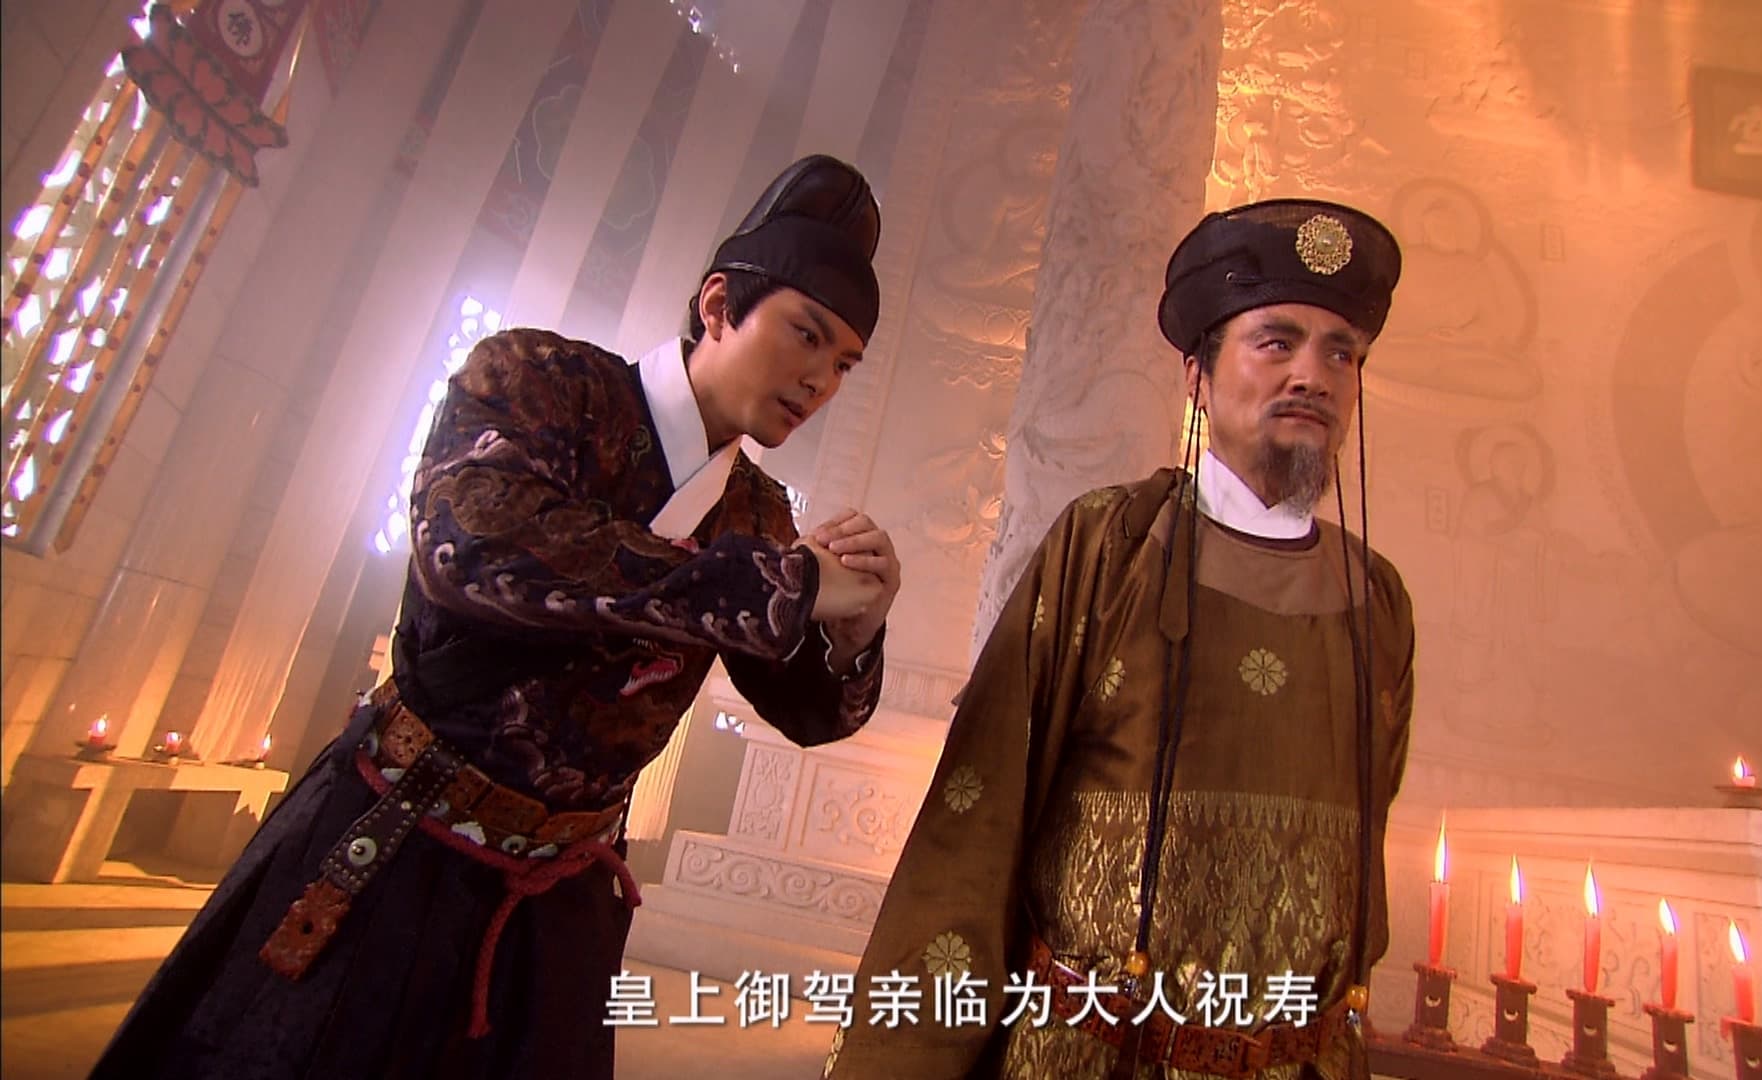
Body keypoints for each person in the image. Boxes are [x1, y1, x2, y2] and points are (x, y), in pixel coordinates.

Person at [92, 155, 903, 1079]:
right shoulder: (539, 381)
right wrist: (778, 587)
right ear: (719, 305)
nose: (821, 379)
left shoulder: (758, 514)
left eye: (844, 364)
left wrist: (853, 637)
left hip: (564, 898)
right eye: (806, 336)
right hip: (399, 841)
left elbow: (806, 711)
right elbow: (472, 547)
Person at [828, 199, 1415, 1080]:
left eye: (1342, 353)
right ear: (1197, 375)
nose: (1314, 375)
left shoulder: (1378, 600)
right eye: (1276, 342)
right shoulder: (1108, 545)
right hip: (1087, 1055)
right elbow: (978, 817)